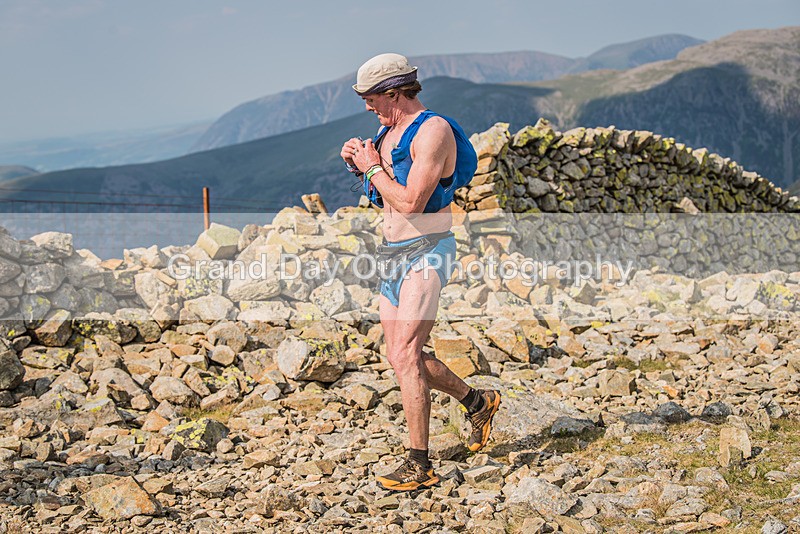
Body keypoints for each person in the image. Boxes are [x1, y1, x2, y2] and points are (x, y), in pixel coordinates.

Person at [340, 53, 501, 492]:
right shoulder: (387, 131)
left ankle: (419, 464)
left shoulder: (433, 131)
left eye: (371, 98)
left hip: (428, 249)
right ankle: (477, 401)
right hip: (393, 252)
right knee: (399, 355)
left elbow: (412, 201)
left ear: (394, 92)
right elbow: (386, 199)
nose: (368, 106)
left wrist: (371, 165)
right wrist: (359, 162)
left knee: (408, 353)